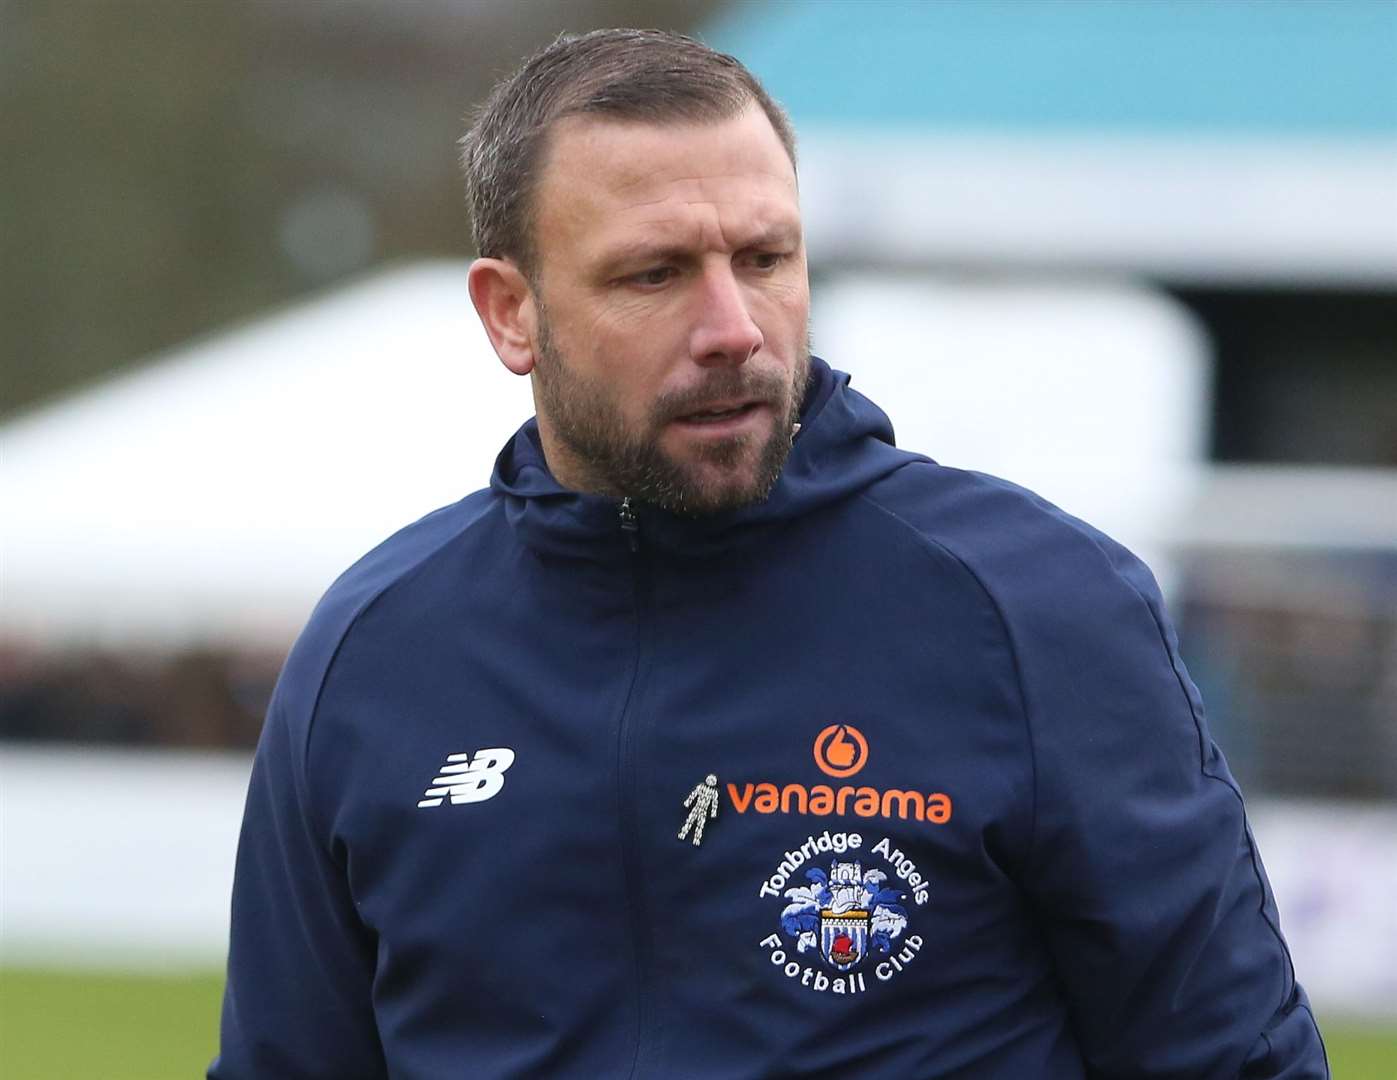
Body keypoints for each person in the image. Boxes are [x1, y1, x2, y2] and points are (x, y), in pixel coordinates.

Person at [210, 28, 1328, 1079]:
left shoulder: (1035, 607)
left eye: (763, 258)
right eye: (652, 274)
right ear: (511, 313)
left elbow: (1232, 1058)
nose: (733, 327)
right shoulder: (377, 649)